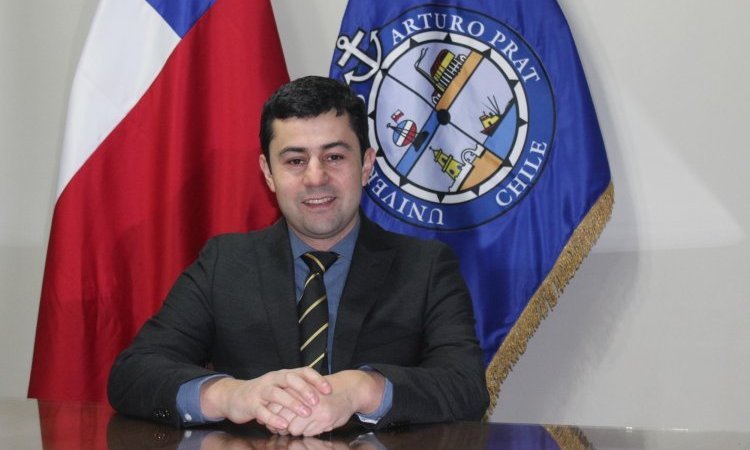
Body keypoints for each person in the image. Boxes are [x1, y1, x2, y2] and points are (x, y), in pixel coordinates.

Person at [107, 76, 489, 436]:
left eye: (334, 157)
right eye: (295, 161)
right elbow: (133, 374)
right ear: (268, 173)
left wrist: (363, 388)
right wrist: (229, 395)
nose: (315, 177)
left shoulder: (426, 267)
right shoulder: (225, 263)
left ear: (366, 165)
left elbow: (466, 387)